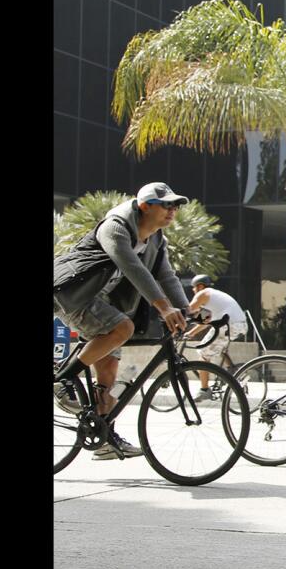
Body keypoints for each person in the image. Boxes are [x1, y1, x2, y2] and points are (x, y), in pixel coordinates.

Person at [53, 182, 193, 460]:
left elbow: (165, 277)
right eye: (167, 205)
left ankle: (103, 438)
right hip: (75, 295)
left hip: (102, 303)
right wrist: (164, 308)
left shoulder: (156, 240)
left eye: (176, 206)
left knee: (108, 373)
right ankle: (61, 381)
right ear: (145, 206)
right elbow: (133, 268)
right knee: (123, 328)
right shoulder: (114, 228)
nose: (173, 210)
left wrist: (186, 310)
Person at [185, 274, 248, 396]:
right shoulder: (213, 298)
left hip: (230, 325)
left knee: (203, 353)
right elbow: (205, 322)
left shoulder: (203, 294)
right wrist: (190, 333)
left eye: (194, 287)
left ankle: (204, 390)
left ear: (200, 286)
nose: (193, 290)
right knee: (217, 347)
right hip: (238, 324)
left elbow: (189, 310)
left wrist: (176, 327)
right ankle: (233, 370)